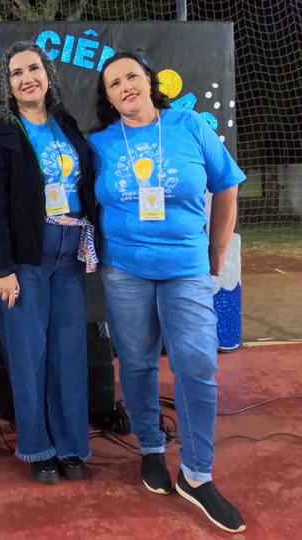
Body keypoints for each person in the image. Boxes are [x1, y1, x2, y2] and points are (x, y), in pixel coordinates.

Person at [87, 52, 246, 533]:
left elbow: (227, 187)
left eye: (132, 76)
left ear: (149, 81)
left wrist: (217, 252)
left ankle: (197, 475)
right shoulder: (99, 143)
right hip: (124, 271)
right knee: (134, 362)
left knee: (196, 366)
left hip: (186, 268)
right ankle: (151, 448)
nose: (125, 87)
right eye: (114, 83)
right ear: (108, 96)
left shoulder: (190, 125)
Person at [0, 42, 99, 484]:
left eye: (34, 68)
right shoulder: (2, 133)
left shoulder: (66, 125)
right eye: (16, 73)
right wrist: (1, 268)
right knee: (28, 356)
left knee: (69, 354)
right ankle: (38, 447)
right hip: (25, 257)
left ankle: (71, 445)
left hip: (70, 252)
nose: (27, 77)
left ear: (47, 75)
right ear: (7, 85)